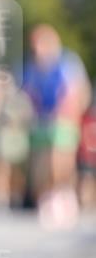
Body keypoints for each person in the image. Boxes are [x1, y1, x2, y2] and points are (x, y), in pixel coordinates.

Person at [23, 24, 91, 228]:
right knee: (40, 163)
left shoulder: (67, 62)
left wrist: (66, 116)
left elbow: (74, 92)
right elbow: (28, 93)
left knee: (60, 160)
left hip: (64, 120)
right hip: (41, 121)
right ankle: (46, 198)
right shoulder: (33, 67)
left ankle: (65, 196)